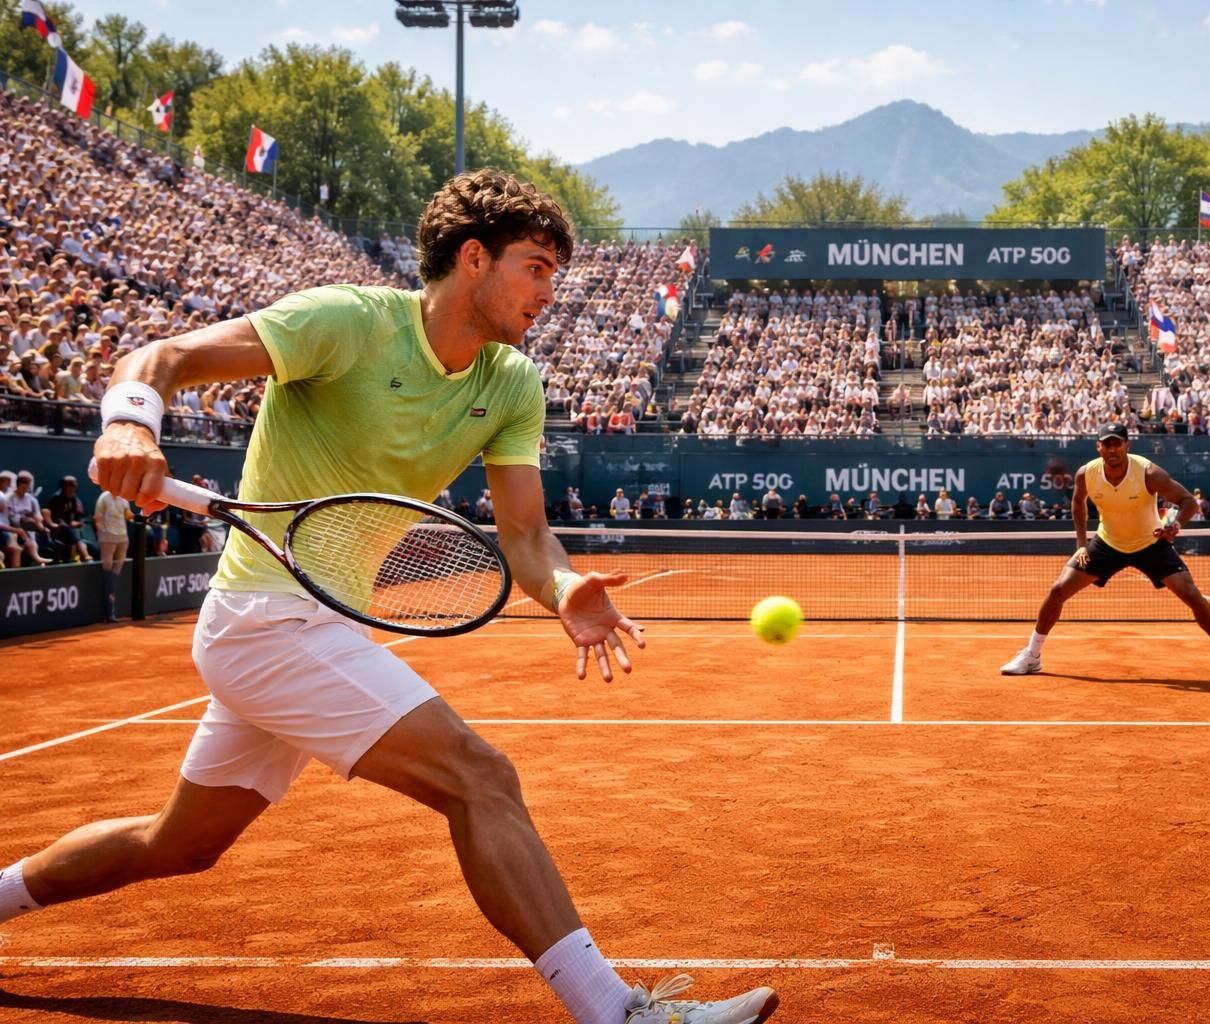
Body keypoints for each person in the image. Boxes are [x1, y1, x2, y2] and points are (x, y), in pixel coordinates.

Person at [1, 171, 778, 1024]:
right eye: (537, 267)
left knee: (178, 844)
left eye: (554, 272)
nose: (549, 293)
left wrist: (560, 585)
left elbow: (523, 533)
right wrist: (129, 422)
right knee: (480, 778)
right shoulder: (346, 321)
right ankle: (619, 1013)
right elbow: (166, 358)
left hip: (309, 626)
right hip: (266, 618)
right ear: (473, 258)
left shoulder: (512, 382)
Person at [1000, 423, 1210, 684]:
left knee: (1191, 594)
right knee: (1058, 590)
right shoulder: (1086, 474)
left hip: (1150, 543)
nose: (1112, 448)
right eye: (1106, 444)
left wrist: (1176, 525)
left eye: (1117, 443)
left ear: (1127, 445)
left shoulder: (1148, 473)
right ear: (1098, 446)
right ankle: (1032, 656)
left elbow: (1188, 501)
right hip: (1107, 543)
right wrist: (1080, 543)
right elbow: (1078, 503)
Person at [94, 482, 134, 621]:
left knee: (117, 569)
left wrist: (139, 516)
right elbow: (98, 517)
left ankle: (114, 601)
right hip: (108, 538)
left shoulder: (124, 499)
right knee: (107, 567)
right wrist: (103, 532)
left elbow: (128, 515)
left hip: (123, 537)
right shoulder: (104, 498)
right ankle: (108, 609)